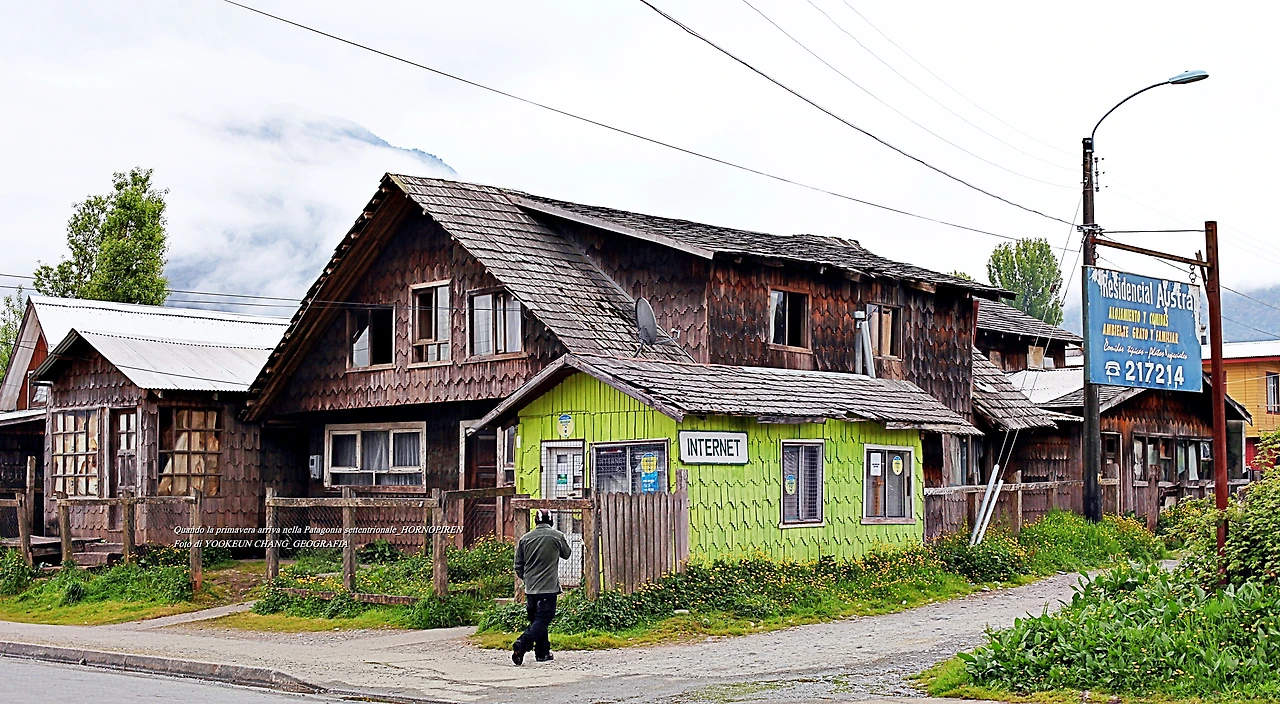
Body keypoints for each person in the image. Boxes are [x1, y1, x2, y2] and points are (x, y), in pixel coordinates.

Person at [511, 509, 572, 665]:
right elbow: (567, 554)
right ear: (551, 521)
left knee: (537, 621)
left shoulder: (525, 539)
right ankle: (522, 643)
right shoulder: (557, 536)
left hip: (531, 588)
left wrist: (526, 578)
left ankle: (542, 652)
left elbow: (518, 565)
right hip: (549, 587)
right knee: (543, 620)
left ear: (536, 521)